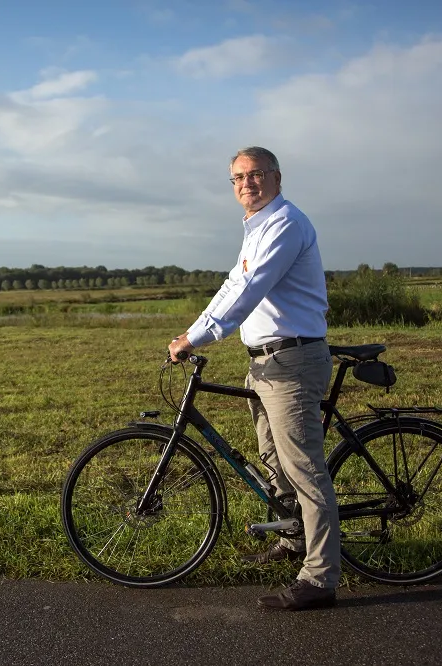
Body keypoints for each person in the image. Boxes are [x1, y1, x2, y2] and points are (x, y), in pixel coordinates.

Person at [168, 146, 339, 611]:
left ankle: (321, 578)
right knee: (274, 461)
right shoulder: (257, 227)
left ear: (277, 177)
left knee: (303, 468)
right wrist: (193, 328)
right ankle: (294, 539)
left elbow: (250, 290)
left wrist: (199, 340)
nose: (247, 183)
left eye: (256, 174)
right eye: (238, 177)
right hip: (265, 362)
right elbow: (232, 285)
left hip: (292, 362)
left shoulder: (285, 224)